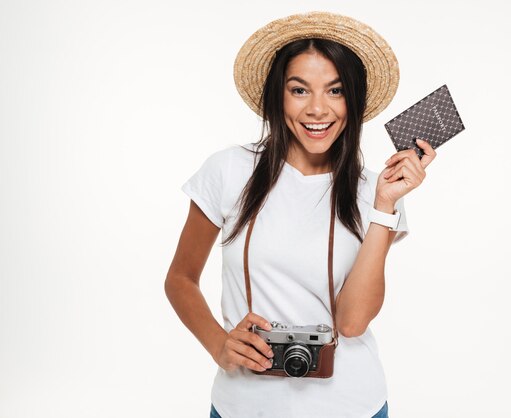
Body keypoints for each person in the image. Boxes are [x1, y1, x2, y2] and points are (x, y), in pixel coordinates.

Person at [165, 11, 436, 418]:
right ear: (278, 95)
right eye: (299, 90)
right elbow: (180, 278)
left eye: (335, 91)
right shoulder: (228, 170)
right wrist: (218, 344)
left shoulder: (374, 189)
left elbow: (351, 323)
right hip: (244, 406)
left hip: (351, 405)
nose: (317, 110)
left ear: (354, 99)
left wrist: (385, 207)